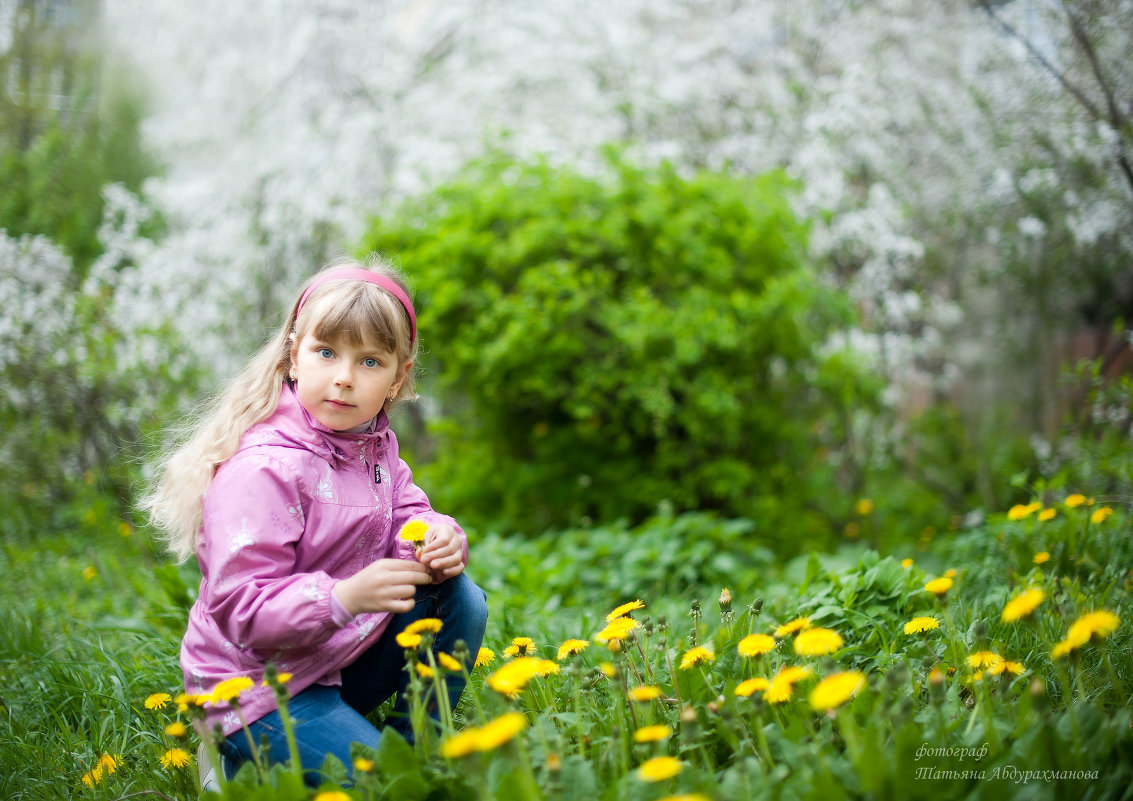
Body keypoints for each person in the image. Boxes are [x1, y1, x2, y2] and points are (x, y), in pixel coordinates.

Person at [142, 254, 487, 787]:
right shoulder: (265, 468)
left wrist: (438, 537)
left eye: (370, 362)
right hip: (256, 686)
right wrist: (345, 596)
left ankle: (414, 754)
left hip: (333, 657)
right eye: (326, 352)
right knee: (380, 785)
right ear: (294, 358)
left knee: (457, 596)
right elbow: (241, 608)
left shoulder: (373, 447)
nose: (344, 379)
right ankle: (238, 756)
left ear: (399, 378)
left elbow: (409, 513)